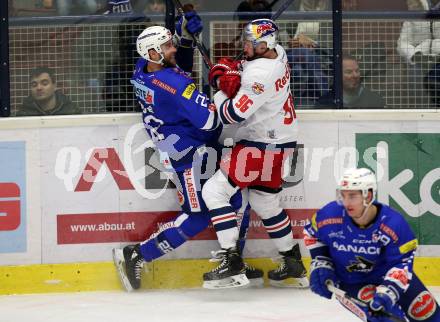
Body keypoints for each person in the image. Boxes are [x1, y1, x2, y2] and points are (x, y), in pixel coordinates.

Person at [112, 10, 263, 292]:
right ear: (154, 53)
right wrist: (224, 90)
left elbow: (173, 69)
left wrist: (183, 39)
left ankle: (235, 262)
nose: (172, 49)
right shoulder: (174, 84)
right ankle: (137, 254)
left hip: (195, 149)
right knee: (199, 216)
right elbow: (210, 119)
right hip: (188, 158)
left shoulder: (142, 69)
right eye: (167, 46)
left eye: (170, 44)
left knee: (237, 200)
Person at [201, 19, 309, 289]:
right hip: (281, 142)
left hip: (259, 145)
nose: (243, 46)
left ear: (264, 45)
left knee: (214, 193)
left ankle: (232, 261)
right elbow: (245, 70)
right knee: (264, 202)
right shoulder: (278, 54)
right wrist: (231, 72)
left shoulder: (260, 76)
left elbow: (231, 115)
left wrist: (219, 89)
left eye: (248, 43)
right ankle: (293, 261)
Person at [304, 168, 440, 322]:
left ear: (368, 195)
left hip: (387, 274)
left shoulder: (393, 224)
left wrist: (388, 292)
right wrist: (321, 261)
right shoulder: (330, 214)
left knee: (430, 315)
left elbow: (402, 263)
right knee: (385, 320)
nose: (346, 202)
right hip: (351, 281)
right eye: (343, 195)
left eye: (352, 196)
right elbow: (311, 233)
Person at [397, 0, 440, 107]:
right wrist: (415, 55)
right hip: (419, 59)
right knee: (415, 71)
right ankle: (418, 112)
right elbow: (402, 43)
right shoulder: (415, 4)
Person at [316, 55, 385, 108]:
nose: (355, 75)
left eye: (357, 71)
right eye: (349, 72)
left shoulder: (374, 101)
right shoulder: (325, 103)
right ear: (337, 75)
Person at [17, 67, 81, 116]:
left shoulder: (70, 110)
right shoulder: (24, 113)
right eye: (34, 85)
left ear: (55, 86)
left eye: (44, 83)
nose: (39, 88)